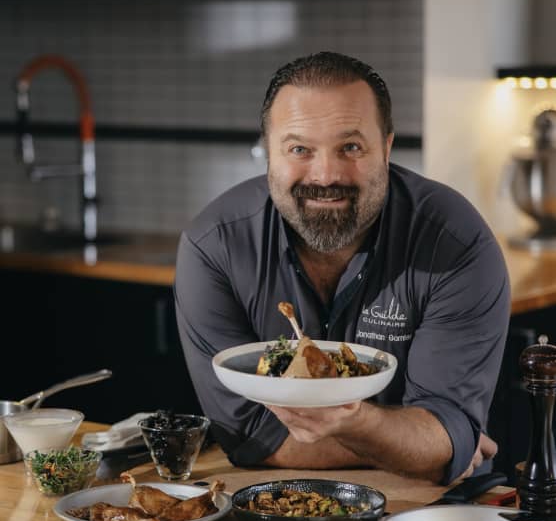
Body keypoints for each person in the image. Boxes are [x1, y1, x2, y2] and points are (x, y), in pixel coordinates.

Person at [174, 51, 510, 484]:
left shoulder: (454, 243)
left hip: (430, 515)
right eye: (299, 149)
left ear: (386, 148)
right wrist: (417, 449)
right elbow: (249, 435)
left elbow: (446, 431)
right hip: (274, 508)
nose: (327, 174)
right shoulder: (213, 246)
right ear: (269, 154)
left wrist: (361, 425)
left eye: (350, 147)